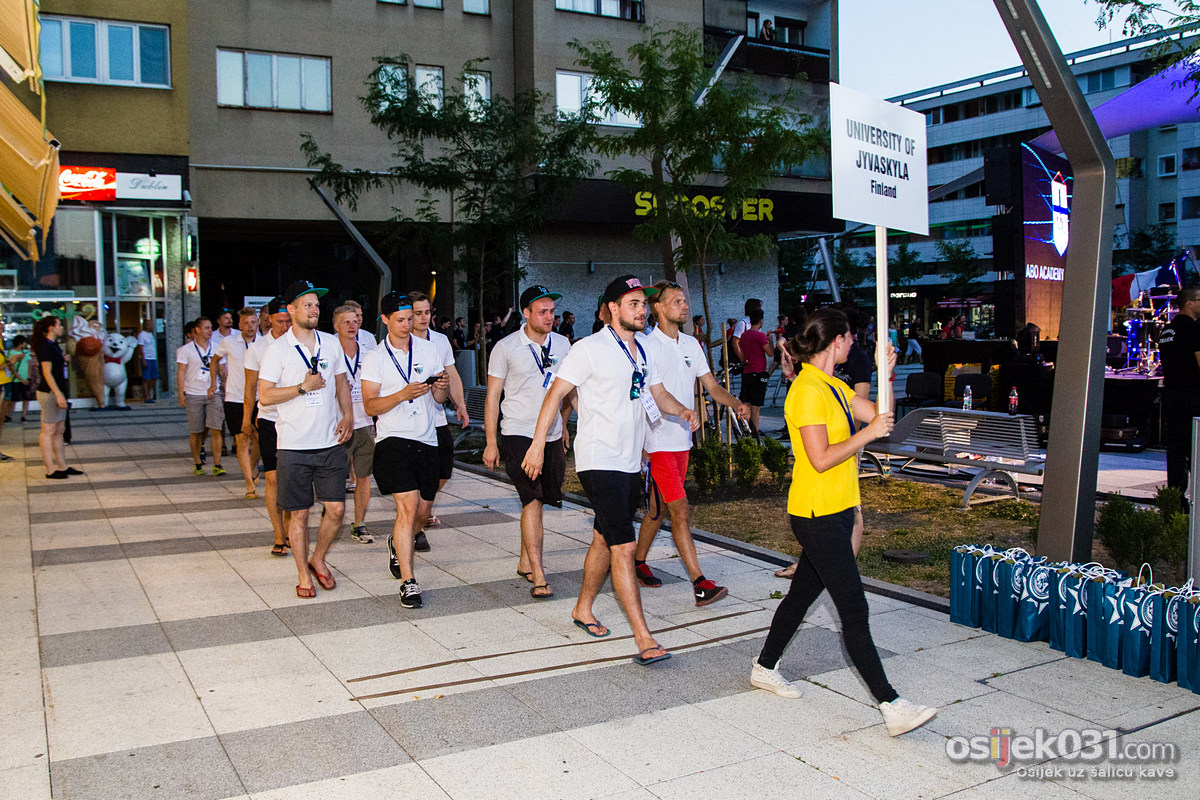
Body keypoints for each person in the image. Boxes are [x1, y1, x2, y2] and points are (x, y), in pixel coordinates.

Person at [750, 308, 936, 736]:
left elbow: (882, 421)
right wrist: (865, 435)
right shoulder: (806, 391)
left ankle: (764, 666)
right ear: (836, 340)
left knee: (800, 597)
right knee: (853, 607)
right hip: (815, 512)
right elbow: (820, 459)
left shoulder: (834, 386)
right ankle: (891, 704)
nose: (854, 342)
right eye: (850, 336)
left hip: (837, 509)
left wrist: (885, 374)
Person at [523, 275, 698, 666]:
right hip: (598, 460)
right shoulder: (589, 349)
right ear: (613, 309)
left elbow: (657, 394)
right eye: (633, 303)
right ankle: (644, 637)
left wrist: (682, 410)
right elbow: (555, 394)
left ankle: (583, 607)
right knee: (624, 546)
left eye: (643, 303)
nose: (641, 310)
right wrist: (537, 445)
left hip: (630, 460)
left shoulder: (644, 350)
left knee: (604, 538)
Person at [633, 281, 749, 606]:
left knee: (658, 509)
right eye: (677, 301)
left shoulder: (691, 344)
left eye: (684, 301)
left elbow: (711, 386)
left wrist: (734, 402)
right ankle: (700, 583)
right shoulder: (645, 346)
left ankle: (637, 562)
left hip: (682, 441)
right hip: (655, 441)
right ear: (658, 307)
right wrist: (640, 443)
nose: (685, 306)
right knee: (680, 510)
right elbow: (643, 396)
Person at [257, 280, 353, 599]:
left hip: (329, 442)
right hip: (293, 446)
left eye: (317, 305)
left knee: (336, 509)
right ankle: (303, 574)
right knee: (298, 513)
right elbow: (265, 396)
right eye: (308, 305)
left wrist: (348, 415)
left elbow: (341, 382)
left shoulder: (331, 343)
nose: (314, 310)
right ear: (291, 309)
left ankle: (318, 558)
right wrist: (302, 388)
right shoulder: (277, 350)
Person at [484, 285, 574, 599]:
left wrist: (563, 425)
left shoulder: (562, 344)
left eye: (552, 311)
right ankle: (538, 572)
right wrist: (491, 442)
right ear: (526, 313)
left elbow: (568, 390)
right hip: (518, 434)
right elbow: (493, 397)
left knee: (540, 500)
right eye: (542, 312)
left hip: (551, 435)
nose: (549, 317)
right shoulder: (506, 347)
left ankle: (525, 561)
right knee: (532, 500)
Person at [362, 291, 450, 609]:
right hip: (392, 439)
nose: (407, 324)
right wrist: (401, 394)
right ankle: (408, 581)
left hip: (426, 439)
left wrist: (441, 389)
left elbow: (439, 399)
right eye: (400, 319)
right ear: (385, 319)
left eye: (410, 318)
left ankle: (396, 542)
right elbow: (370, 405)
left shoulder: (428, 349)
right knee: (408, 508)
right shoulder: (375, 358)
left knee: (422, 514)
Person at [410, 291, 468, 544]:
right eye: (418, 313)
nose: (424, 318)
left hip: (437, 417)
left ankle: (422, 509)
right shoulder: (401, 342)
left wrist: (460, 404)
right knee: (416, 476)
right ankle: (415, 527)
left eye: (427, 312)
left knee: (444, 471)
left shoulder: (440, 340)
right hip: (411, 421)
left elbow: (451, 374)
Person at [245, 297, 293, 556]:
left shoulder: (300, 343)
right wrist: (246, 419)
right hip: (269, 418)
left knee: (292, 478)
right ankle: (278, 533)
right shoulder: (258, 348)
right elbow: (250, 387)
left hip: (296, 419)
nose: (285, 326)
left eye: (289, 321)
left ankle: (289, 529)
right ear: (269, 319)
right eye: (280, 321)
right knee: (273, 479)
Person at [334, 303, 376, 543]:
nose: (352, 326)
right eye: (346, 322)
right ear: (336, 326)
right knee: (334, 476)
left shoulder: (369, 352)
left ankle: (359, 523)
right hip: (337, 424)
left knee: (363, 476)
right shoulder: (329, 352)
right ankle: (331, 516)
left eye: (355, 321)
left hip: (365, 421)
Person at [213, 308, 260, 498]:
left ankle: (254, 465)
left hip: (259, 397)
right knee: (242, 439)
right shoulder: (229, 342)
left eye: (253, 322)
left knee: (258, 437)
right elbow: (214, 360)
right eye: (246, 323)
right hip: (235, 397)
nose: (250, 326)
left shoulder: (264, 343)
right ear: (239, 325)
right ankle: (249, 482)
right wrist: (215, 382)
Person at [1159, 285, 1200, 493]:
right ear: (1189, 303)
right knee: (1195, 446)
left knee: (1176, 448)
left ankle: (1175, 497)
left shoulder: (1167, 330)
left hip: (1171, 394)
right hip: (1191, 395)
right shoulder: (1193, 328)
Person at [31, 316, 81, 479]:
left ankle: (62, 466)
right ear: (51, 328)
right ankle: (50, 469)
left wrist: (63, 359)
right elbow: (47, 373)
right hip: (49, 393)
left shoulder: (53, 345)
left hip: (58, 391)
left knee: (60, 430)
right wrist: (58, 394)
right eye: (59, 325)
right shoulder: (45, 346)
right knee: (48, 430)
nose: (62, 327)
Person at [176, 317, 225, 476]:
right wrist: (181, 393)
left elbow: (222, 370)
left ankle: (217, 463)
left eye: (210, 327)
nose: (210, 331)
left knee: (216, 429)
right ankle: (197, 462)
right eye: (206, 328)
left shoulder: (217, 347)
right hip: (193, 393)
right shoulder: (185, 350)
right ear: (197, 330)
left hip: (213, 393)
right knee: (196, 431)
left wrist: (226, 386)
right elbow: (181, 372)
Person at [738, 308, 774, 437]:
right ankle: (755, 431)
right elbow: (770, 353)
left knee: (746, 402)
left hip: (747, 372)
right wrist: (771, 340)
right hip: (758, 372)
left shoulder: (744, 335)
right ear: (761, 321)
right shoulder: (760, 336)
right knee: (756, 405)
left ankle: (746, 428)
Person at [137, 320, 159, 403]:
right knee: (146, 378)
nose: (152, 326)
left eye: (152, 324)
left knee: (154, 377)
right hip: (146, 358)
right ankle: (147, 397)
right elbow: (140, 348)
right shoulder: (142, 335)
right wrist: (143, 359)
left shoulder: (151, 334)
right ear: (146, 325)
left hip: (153, 358)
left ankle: (148, 392)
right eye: (150, 324)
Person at [0, 318, 12, 461]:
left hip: (4, 382)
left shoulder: (1, 343)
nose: (2, 331)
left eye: (3, 328)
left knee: (1, 419)